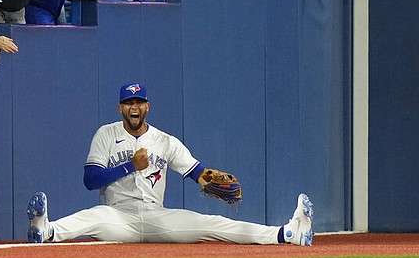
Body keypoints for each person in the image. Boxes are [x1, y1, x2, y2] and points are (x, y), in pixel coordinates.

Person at [25, 82, 315, 246]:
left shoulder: (166, 141)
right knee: (90, 216)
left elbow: (197, 173)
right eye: (128, 102)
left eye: (139, 102)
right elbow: (90, 181)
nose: (134, 107)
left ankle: (287, 233)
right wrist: (130, 167)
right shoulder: (106, 133)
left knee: (212, 224)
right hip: (117, 218)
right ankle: (45, 231)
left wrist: (210, 180)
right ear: (120, 108)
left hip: (156, 217)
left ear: (147, 106)